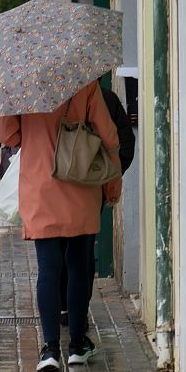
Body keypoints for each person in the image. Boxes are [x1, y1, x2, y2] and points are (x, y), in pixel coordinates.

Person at [0, 81, 122, 372]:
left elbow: (7, 135)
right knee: (79, 266)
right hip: (81, 182)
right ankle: (77, 344)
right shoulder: (84, 83)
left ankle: (50, 348)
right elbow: (108, 135)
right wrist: (112, 186)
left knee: (48, 270)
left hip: (41, 187)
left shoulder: (22, 85)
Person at [59, 85, 136, 327]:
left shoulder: (47, 100)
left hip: (57, 188)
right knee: (81, 252)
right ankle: (76, 311)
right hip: (91, 187)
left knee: (59, 250)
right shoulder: (104, 98)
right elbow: (123, 141)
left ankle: (64, 307)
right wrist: (109, 175)